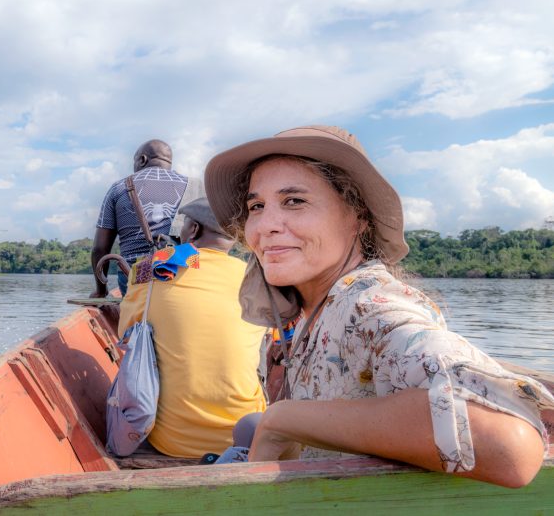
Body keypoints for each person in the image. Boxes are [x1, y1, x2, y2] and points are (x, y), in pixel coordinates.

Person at [204, 125, 554, 487]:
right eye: (256, 206)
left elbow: (509, 446)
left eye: (294, 201)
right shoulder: (316, 308)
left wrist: (284, 419)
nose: (265, 226)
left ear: (358, 217)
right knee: (249, 426)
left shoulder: (370, 306)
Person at [116, 198, 267, 458]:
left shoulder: (154, 266)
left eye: (184, 225)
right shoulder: (254, 276)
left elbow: (126, 333)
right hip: (245, 436)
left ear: (194, 229)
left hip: (173, 440)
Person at [91, 140, 191, 297]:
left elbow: (100, 249)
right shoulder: (193, 186)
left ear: (143, 159)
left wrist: (101, 291)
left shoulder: (119, 188)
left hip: (134, 274)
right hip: (182, 272)